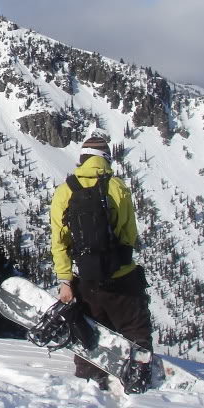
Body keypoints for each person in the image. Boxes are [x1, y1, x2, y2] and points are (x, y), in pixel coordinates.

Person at [49, 129, 153, 389]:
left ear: (83, 158)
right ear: (106, 158)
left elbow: (59, 242)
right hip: (121, 279)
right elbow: (129, 234)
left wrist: (65, 280)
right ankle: (139, 382)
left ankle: (89, 383)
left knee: (89, 336)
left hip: (86, 280)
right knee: (135, 330)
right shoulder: (117, 187)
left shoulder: (65, 191)